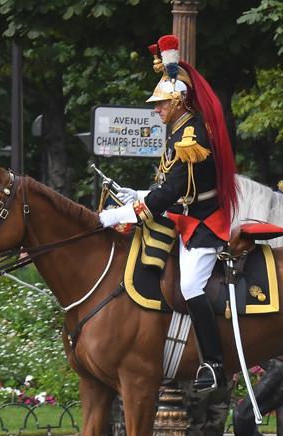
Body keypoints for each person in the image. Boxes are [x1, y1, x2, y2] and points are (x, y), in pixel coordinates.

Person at [98, 35, 237, 392]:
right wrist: (139, 194)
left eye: (161, 103)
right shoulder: (178, 130)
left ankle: (214, 363)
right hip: (185, 215)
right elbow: (169, 186)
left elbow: (176, 191)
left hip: (204, 221)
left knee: (190, 285)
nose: (156, 109)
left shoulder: (190, 134)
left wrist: (120, 215)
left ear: (177, 100)